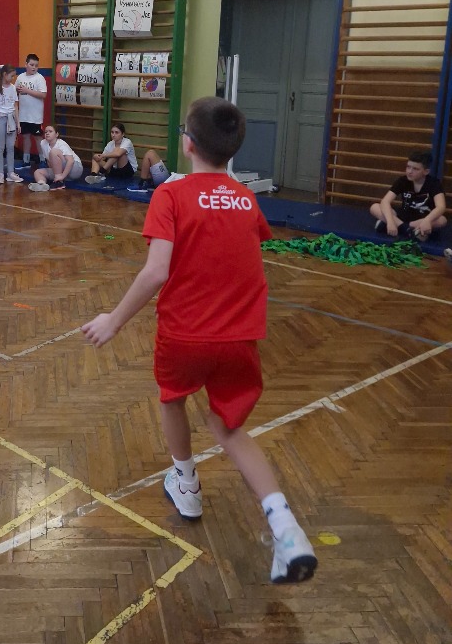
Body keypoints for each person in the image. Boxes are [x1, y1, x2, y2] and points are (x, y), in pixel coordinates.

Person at [82, 97, 318, 585]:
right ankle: (287, 529)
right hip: (239, 337)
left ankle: (187, 483)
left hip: (185, 334)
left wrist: (115, 319)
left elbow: (157, 271)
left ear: (187, 143)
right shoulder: (246, 199)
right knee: (229, 429)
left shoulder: (170, 195)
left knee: (173, 399)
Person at [369, 148, 447, 242]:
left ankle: (395, 227)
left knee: (442, 220)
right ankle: (407, 230)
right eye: (408, 167)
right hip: (402, 217)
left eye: (415, 169)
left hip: (420, 220)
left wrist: (427, 220)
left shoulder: (434, 183)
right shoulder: (403, 181)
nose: (410, 171)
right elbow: (385, 201)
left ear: (426, 172)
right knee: (375, 207)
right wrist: (390, 221)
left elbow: (441, 207)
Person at [0, 64, 22, 185]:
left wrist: (18, 122)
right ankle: (0, 173)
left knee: (11, 147)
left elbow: (15, 106)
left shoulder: (12, 88)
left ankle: (11, 172)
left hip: (11, 119)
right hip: (0, 118)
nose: (13, 78)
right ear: (4, 74)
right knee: (0, 147)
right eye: (11, 76)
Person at [28, 125, 83, 192]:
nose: (47, 133)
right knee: (37, 172)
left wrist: (61, 177)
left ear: (56, 134)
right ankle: (42, 185)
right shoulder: (43, 143)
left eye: (50, 131)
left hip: (75, 169)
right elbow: (49, 161)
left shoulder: (61, 143)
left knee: (53, 151)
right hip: (61, 171)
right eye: (46, 132)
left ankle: (59, 182)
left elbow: (70, 161)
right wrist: (55, 172)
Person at [15, 54, 48, 167]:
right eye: (32, 65)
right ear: (26, 64)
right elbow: (15, 92)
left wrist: (27, 90)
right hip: (23, 114)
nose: (34, 67)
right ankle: (26, 160)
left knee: (38, 137)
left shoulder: (39, 78)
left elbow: (43, 95)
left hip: (35, 115)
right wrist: (17, 90)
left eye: (36, 65)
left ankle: (43, 160)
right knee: (26, 137)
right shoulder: (20, 77)